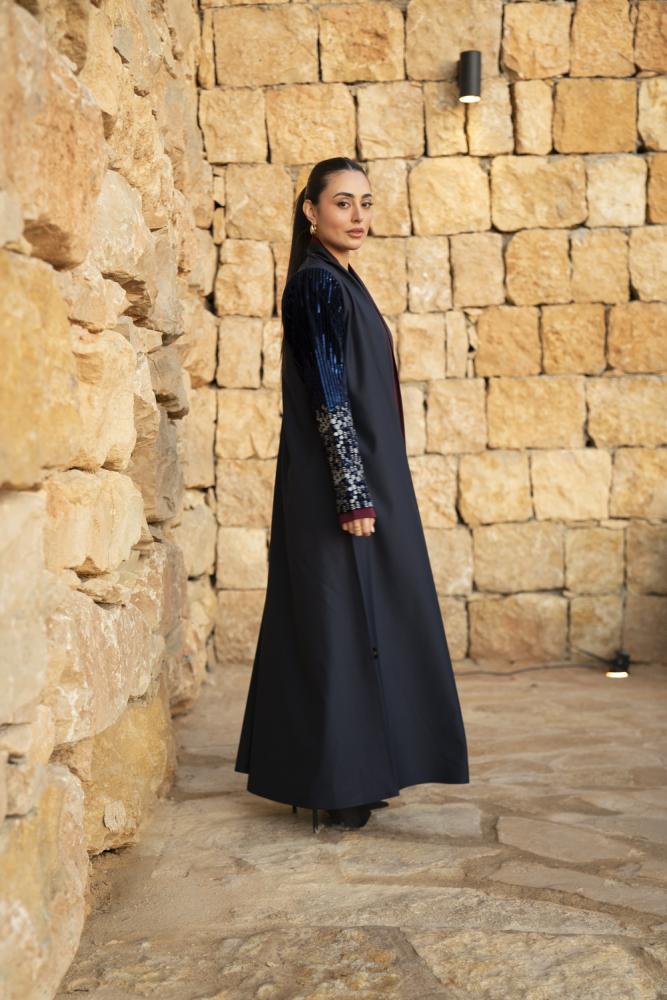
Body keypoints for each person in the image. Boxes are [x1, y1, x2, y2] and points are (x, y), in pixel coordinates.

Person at [234, 156, 469, 833]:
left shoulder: (338, 278)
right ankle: (338, 783)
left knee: (366, 619)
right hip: (339, 484)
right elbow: (328, 395)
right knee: (335, 623)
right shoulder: (315, 284)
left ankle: (360, 769)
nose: (358, 215)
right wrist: (353, 493)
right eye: (342, 203)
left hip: (362, 477)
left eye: (365, 202)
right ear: (311, 211)